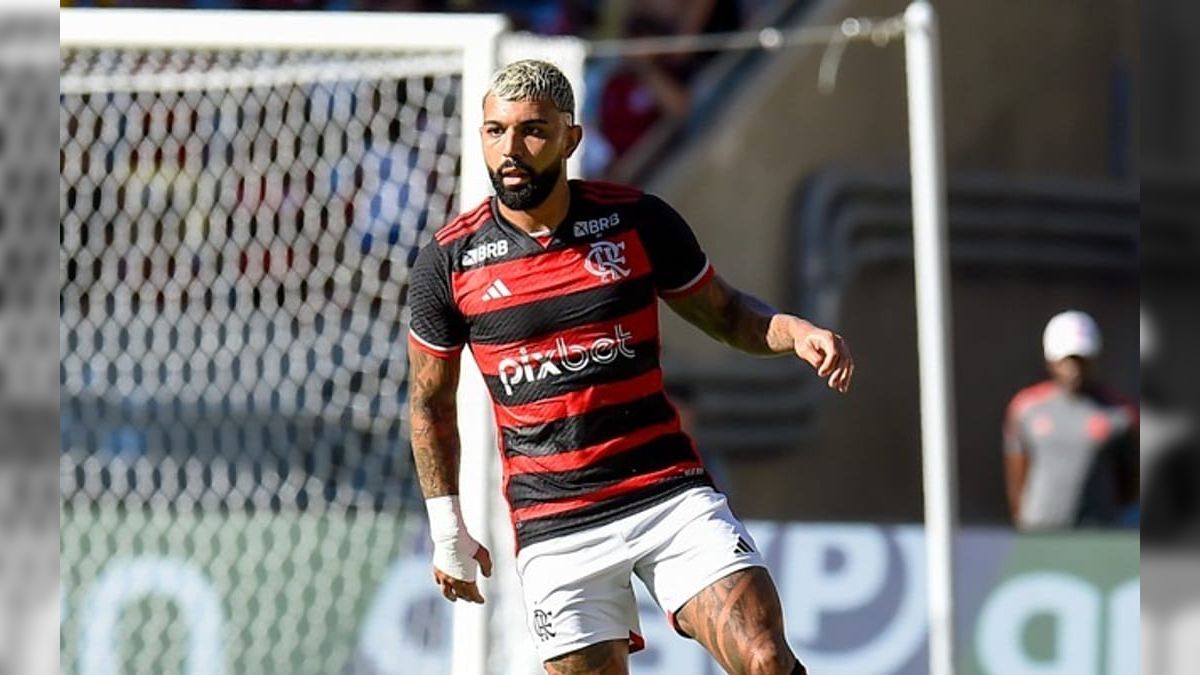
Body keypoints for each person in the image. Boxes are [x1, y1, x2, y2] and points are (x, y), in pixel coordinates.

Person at [406, 60, 853, 675]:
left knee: (765, 658)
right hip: (556, 524)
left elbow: (726, 314)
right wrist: (447, 529)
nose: (510, 149)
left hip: (667, 494)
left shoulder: (636, 221)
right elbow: (429, 403)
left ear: (571, 139)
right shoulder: (448, 263)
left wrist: (794, 332)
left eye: (532, 130)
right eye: (494, 130)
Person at [1002, 310, 1138, 531]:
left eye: (1081, 361)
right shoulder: (1026, 408)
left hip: (1098, 536)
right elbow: (1018, 474)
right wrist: (1024, 523)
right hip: (1041, 533)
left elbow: (1130, 482)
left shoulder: (1121, 413)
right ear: (1051, 361)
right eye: (1066, 361)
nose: (1074, 370)